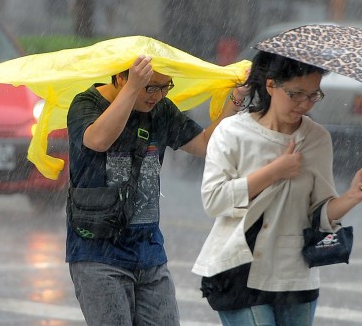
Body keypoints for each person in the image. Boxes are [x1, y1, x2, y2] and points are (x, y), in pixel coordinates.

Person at [192, 50, 362, 326]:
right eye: (295, 94)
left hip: (295, 276)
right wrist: (274, 172)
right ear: (271, 85)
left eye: (313, 95)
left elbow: (318, 213)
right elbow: (214, 200)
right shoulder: (232, 132)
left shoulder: (317, 138)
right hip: (238, 270)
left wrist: (353, 196)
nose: (304, 103)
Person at [66, 54, 247, 325]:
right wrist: (132, 88)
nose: (158, 95)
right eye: (150, 87)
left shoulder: (161, 110)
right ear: (120, 79)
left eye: (166, 86)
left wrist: (236, 99)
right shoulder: (86, 103)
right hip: (97, 252)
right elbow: (98, 140)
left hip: (148, 252)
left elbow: (207, 144)